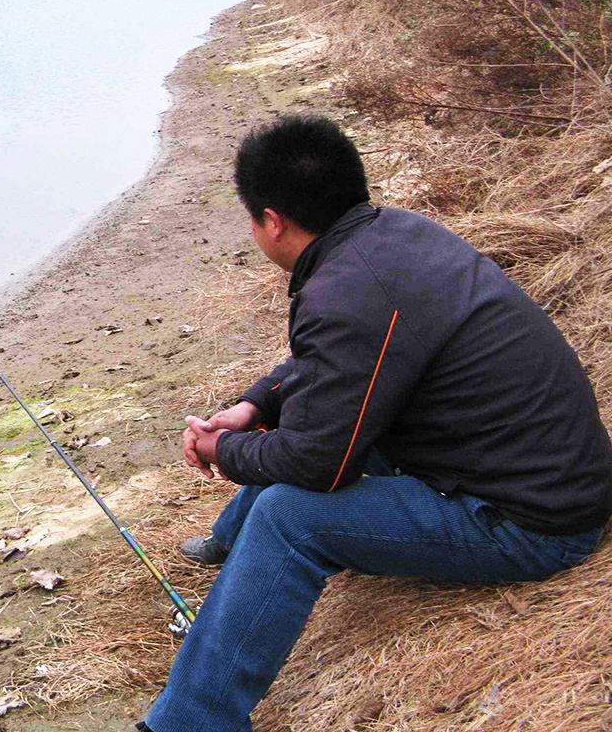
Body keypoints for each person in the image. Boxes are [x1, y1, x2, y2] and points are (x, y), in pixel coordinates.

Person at [139, 114, 612, 732]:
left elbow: (316, 464)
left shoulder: (345, 291)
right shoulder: (394, 237)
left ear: (273, 221)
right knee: (321, 432)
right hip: (537, 474)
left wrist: (225, 449)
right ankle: (230, 548)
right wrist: (256, 405)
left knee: (290, 515)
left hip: (532, 522)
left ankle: (189, 722)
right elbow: (337, 364)